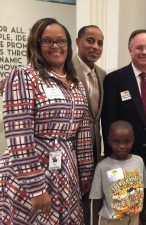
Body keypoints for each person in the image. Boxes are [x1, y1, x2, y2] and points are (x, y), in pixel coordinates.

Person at [0, 18, 94, 224]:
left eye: (61, 41)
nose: (56, 46)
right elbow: (18, 135)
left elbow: (84, 129)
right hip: (31, 170)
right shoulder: (24, 76)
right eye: (48, 41)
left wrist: (86, 171)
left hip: (67, 169)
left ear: (69, 45)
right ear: (36, 44)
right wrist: (35, 187)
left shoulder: (76, 83)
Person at [101, 29, 146, 225]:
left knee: (144, 201)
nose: (144, 51)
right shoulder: (114, 79)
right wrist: (111, 155)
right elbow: (109, 120)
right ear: (130, 50)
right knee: (123, 202)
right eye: (139, 47)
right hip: (126, 153)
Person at [73, 24, 106, 225]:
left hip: (93, 144)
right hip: (69, 146)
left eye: (100, 43)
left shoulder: (102, 74)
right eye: (90, 41)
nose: (95, 46)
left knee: (87, 192)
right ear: (78, 42)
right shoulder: (64, 68)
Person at [90, 120, 146, 225]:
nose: (122, 146)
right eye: (116, 142)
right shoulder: (102, 167)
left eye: (127, 141)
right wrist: (94, 223)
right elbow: (96, 199)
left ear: (133, 140)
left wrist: (139, 217)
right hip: (111, 221)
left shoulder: (139, 161)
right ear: (109, 141)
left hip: (134, 218)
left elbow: (141, 190)